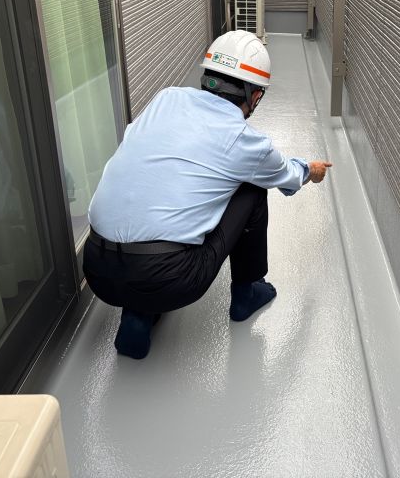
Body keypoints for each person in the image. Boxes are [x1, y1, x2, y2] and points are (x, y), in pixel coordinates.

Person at [83, 30, 332, 359]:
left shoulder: (166, 99)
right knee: (252, 187)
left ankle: (138, 314)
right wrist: (311, 170)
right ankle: (246, 294)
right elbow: (287, 177)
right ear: (256, 96)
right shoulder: (245, 141)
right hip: (167, 280)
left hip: (96, 268)